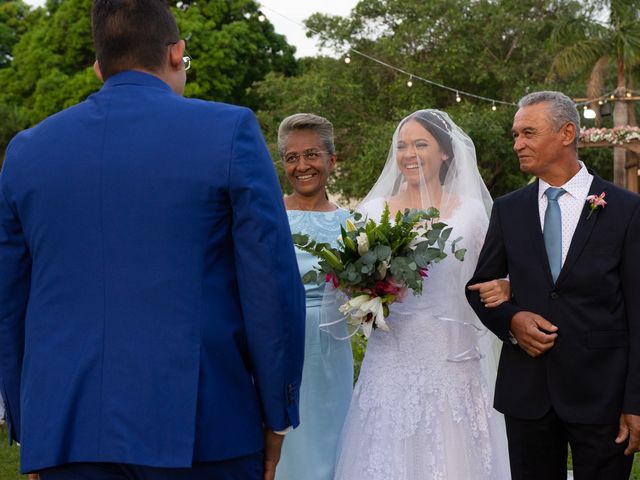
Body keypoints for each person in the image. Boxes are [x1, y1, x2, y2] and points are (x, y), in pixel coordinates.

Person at [0, 0, 305, 478]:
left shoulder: (27, 152)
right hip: (206, 425)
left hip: (67, 429)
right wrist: (277, 412)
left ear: (99, 69)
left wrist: (33, 425)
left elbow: (9, 302)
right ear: (177, 52)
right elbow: (271, 286)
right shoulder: (229, 131)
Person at [466, 90, 640, 480]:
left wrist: (636, 401)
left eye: (528, 133)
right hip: (527, 394)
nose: (517, 144)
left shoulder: (627, 209)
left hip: (603, 395)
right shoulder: (508, 209)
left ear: (566, 133)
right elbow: (479, 287)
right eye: (515, 134)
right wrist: (512, 321)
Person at [334, 109, 511, 480]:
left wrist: (507, 286)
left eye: (420, 144)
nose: (408, 154)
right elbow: (352, 283)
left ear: (445, 153)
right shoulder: (372, 213)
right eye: (401, 146)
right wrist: (369, 293)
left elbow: (493, 276)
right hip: (390, 357)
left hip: (452, 356)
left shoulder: (471, 214)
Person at [274, 113, 353, 480]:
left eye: (311, 155)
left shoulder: (354, 223)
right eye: (291, 158)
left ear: (331, 160)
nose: (302, 166)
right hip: (277, 343)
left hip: (331, 347)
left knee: (332, 437)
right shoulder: (266, 217)